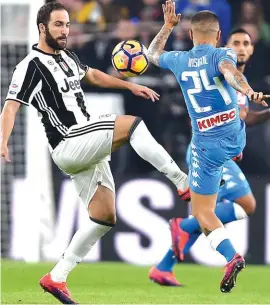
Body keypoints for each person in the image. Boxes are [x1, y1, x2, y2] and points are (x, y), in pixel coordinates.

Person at [0, 2, 191, 304]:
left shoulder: (66, 58)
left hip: (83, 144)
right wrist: (3, 141)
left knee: (104, 216)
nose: (65, 31)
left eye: (67, 25)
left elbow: (95, 76)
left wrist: (129, 86)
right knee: (132, 126)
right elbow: (11, 106)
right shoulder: (29, 66)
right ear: (42, 28)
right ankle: (181, 181)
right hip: (69, 139)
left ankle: (57, 277)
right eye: (59, 25)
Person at [147, 0, 267, 293]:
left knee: (204, 212)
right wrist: (249, 91)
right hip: (232, 142)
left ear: (190, 35)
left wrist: (167, 26)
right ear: (218, 36)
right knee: (231, 207)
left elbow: (151, 55)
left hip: (207, 148)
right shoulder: (223, 55)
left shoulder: (178, 59)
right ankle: (167, 262)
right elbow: (230, 72)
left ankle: (227, 254)